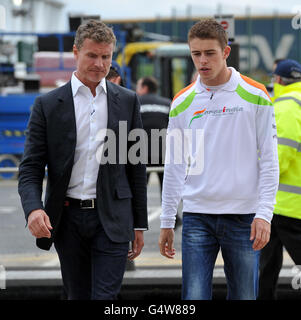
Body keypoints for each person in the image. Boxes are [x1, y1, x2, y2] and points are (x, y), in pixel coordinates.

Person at [18, 20, 148, 300]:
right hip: (67, 220)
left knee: (105, 297)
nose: (100, 64)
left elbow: (136, 167)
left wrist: (139, 224)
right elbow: (30, 167)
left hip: (112, 217)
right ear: (76, 53)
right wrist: (33, 209)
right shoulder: (48, 105)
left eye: (106, 56)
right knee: (76, 295)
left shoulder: (127, 101)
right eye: (92, 55)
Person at [158, 19, 279, 300]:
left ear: (225, 52)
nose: (202, 61)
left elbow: (270, 161)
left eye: (209, 53)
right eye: (196, 54)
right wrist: (166, 220)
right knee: (194, 298)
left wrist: (264, 214)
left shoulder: (256, 95)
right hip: (197, 216)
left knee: (245, 296)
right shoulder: (182, 102)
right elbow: (174, 165)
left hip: (244, 217)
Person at [258, 59, 301, 300]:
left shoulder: (285, 105)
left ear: (278, 80)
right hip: (289, 205)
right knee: (266, 265)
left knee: (266, 266)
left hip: (284, 203)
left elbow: (279, 157)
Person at [136, 76, 182, 228]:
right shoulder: (167, 103)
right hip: (164, 152)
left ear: (144, 88)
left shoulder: (136, 102)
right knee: (167, 187)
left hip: (141, 153)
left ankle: (136, 220)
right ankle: (173, 218)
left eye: (138, 86)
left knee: (139, 189)